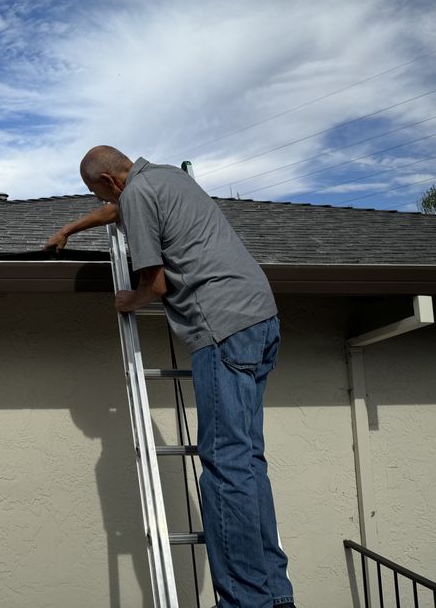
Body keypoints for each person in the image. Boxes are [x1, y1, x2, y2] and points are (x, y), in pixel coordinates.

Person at [46, 146, 296, 608]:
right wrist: (69, 228)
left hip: (221, 328)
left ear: (107, 181)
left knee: (224, 468)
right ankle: (276, 596)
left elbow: (155, 285)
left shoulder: (138, 193)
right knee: (248, 462)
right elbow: (118, 208)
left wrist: (128, 301)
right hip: (261, 318)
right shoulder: (165, 178)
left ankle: (246, 602)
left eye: (95, 191)